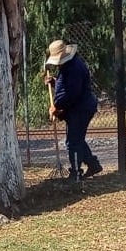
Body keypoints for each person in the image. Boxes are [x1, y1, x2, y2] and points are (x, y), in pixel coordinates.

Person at [44, 40, 103, 180]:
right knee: (77, 139)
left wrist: (56, 107)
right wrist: (54, 82)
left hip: (81, 109)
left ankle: (75, 173)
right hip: (79, 107)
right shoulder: (69, 66)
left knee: (73, 142)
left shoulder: (73, 68)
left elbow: (71, 93)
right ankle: (93, 164)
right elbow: (65, 85)